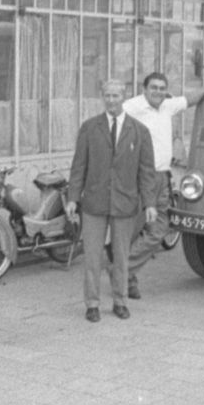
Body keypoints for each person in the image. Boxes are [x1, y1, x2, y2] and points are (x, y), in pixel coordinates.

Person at [67, 79, 157, 322]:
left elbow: (146, 171)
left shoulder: (139, 131)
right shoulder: (89, 128)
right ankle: (92, 304)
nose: (111, 100)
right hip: (94, 202)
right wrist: (73, 198)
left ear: (123, 97)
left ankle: (120, 300)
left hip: (124, 202)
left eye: (116, 96)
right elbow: (79, 166)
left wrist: (149, 204)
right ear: (102, 97)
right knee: (92, 256)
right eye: (107, 95)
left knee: (121, 256)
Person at [123, 71, 192, 296]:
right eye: (154, 87)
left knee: (159, 229)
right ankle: (127, 279)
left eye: (162, 88)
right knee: (134, 230)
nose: (158, 92)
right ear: (144, 89)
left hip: (162, 176)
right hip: (140, 176)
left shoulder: (167, 106)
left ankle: (122, 271)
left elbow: (189, 99)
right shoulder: (131, 107)